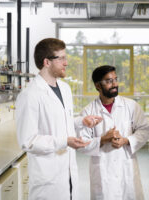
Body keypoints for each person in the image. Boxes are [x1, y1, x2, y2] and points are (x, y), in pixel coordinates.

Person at [15, 38, 102, 200]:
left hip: (68, 173)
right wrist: (65, 141)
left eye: (65, 57)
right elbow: (28, 141)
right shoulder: (30, 95)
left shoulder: (64, 88)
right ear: (47, 62)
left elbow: (62, 123)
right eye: (61, 58)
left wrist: (81, 121)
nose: (66, 62)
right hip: (48, 180)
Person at [76, 65, 149, 200]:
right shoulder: (88, 112)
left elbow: (145, 130)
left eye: (115, 79)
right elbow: (82, 144)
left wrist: (126, 140)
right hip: (103, 173)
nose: (115, 84)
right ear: (98, 86)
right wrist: (103, 139)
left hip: (126, 170)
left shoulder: (131, 106)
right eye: (109, 81)